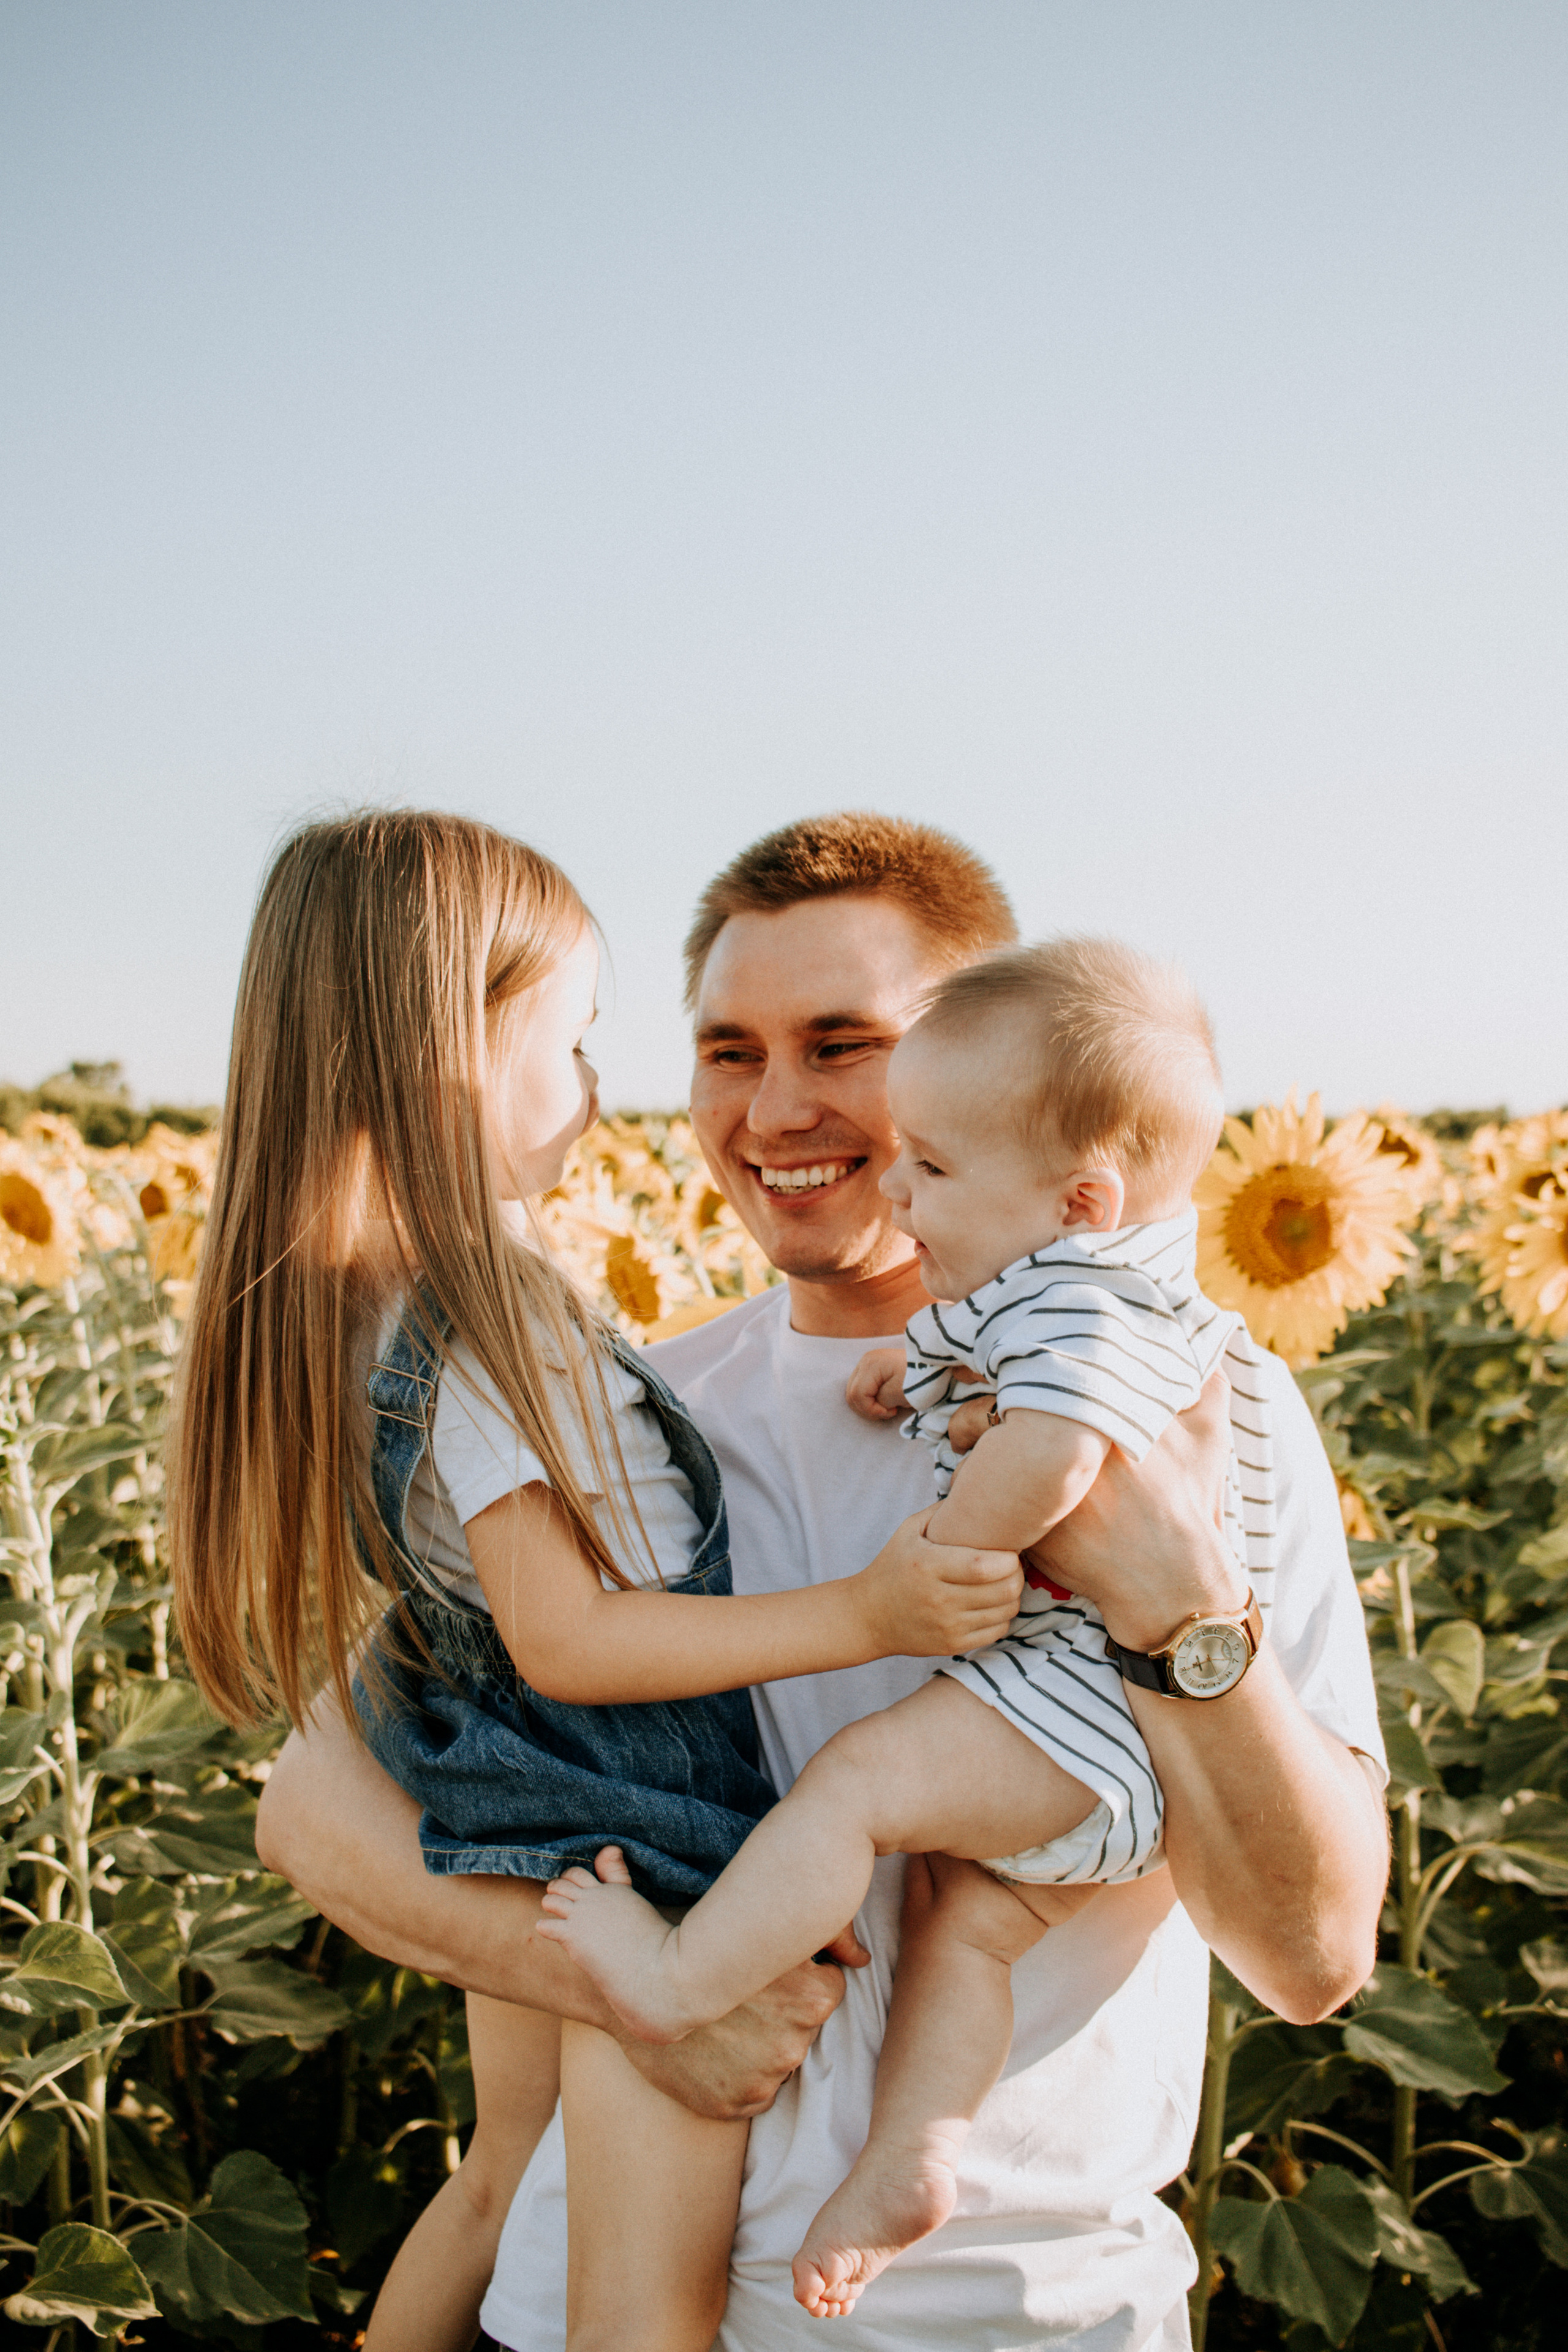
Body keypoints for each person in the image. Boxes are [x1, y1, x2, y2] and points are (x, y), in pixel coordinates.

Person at [256, 812, 1390, 2352]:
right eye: (727, 1052)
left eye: (844, 1044)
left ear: (984, 1063)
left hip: (1012, 2315)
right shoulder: (629, 1415)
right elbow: (314, 1806)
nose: (776, 1108)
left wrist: (1181, 1615)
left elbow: (1314, 1960)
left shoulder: (1204, 1407)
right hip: (598, 2292)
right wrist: (652, 1994)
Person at [168, 810, 1023, 2352]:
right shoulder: (495, 1318)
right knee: (641, 2314)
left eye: (841, 1043)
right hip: (641, 1823)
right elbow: (565, 1637)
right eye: (571, 1043)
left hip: (510, 1786)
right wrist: (866, 1614)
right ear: (454, 1057)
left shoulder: (373, 1309)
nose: (595, 1088)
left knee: (497, 2178)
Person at [532, 933, 1284, 2318]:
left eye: (846, 1050)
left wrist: (939, 1559)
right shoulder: (1061, 1296)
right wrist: (918, 1371)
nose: (892, 1183)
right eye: (728, 1050)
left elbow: (1057, 1443)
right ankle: (915, 2151)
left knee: (856, 1785)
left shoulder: (1104, 1309)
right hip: (1098, 1779)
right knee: (969, 1929)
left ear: (1080, 1198)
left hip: (1070, 1719)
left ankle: (679, 1982)